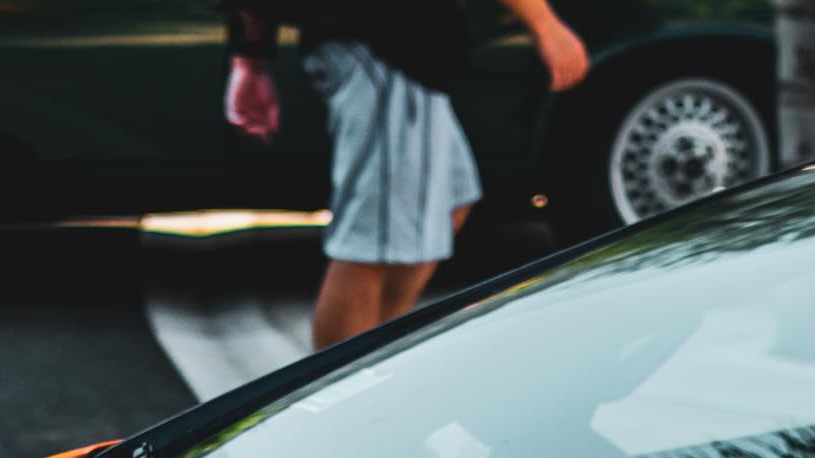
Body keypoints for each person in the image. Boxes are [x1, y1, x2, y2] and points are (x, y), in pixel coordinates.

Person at [224, 0, 589, 350]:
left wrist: (251, 61)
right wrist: (545, 24)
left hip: (393, 56)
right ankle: (342, 393)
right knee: (370, 249)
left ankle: (382, 352)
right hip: (384, 53)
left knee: (451, 199)